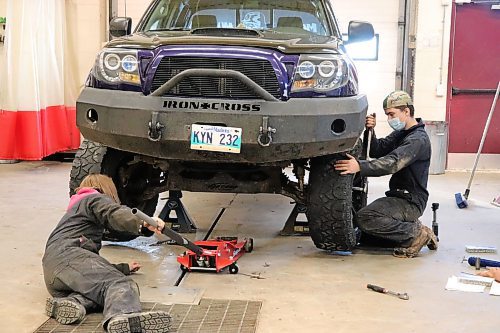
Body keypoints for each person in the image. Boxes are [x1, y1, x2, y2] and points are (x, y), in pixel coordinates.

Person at [42, 174, 171, 333]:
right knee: (120, 285)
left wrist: (123, 267)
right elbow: (114, 212)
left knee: (100, 291)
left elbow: (90, 268)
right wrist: (143, 222)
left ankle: (74, 302)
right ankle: (123, 316)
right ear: (107, 190)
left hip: (54, 271)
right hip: (68, 258)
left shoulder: (74, 212)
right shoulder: (93, 199)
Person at [334, 90, 438, 258]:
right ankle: (414, 230)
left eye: (392, 114)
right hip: (399, 197)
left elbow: (393, 163)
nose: (390, 119)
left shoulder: (417, 140)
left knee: (366, 218)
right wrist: (370, 131)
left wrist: (359, 166)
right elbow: (378, 149)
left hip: (410, 201)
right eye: (387, 115)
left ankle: (416, 233)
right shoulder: (403, 133)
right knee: (366, 235)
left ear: (406, 111)